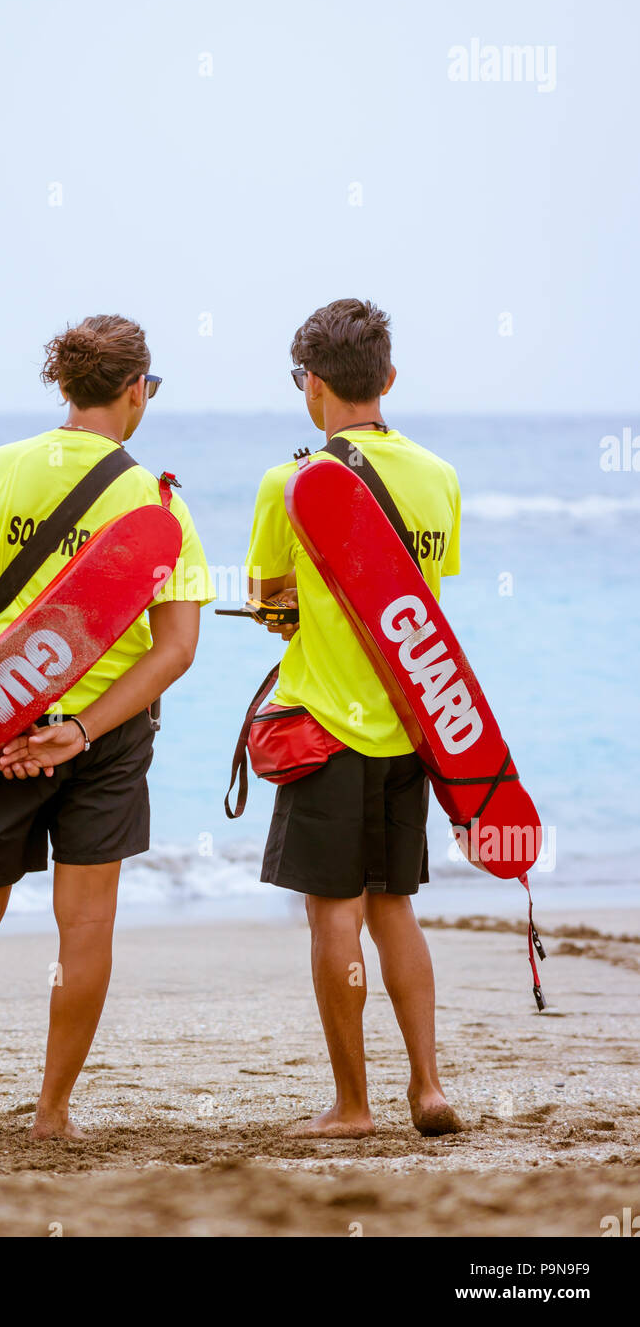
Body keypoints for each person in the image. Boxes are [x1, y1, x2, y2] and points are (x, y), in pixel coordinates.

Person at [0, 314, 213, 1141]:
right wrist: (82, 728)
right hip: (106, 737)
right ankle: (53, 1114)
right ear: (137, 390)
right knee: (87, 925)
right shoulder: (156, 500)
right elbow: (175, 651)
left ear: (63, 388)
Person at [244, 298, 463, 1138]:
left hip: (323, 726)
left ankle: (353, 1106)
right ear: (389, 378)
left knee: (334, 915)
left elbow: (270, 603)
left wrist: (297, 616)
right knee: (394, 907)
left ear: (310, 386)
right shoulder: (438, 475)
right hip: (412, 724)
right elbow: (421, 594)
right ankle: (429, 1087)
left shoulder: (290, 480)